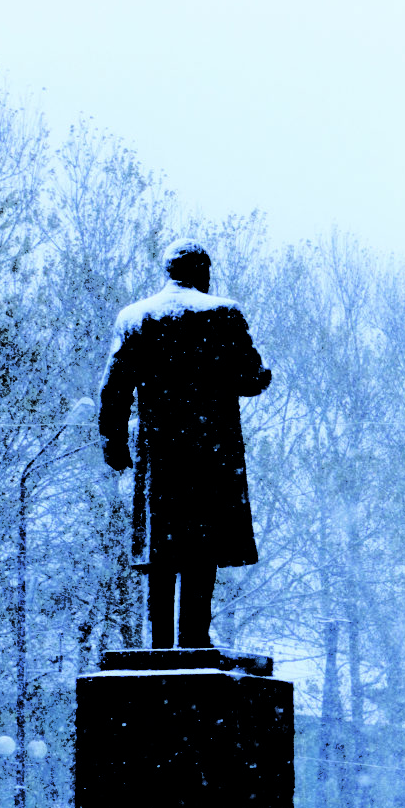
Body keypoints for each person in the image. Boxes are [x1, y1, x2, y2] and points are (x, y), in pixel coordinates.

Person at [99, 238, 272, 648]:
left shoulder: (135, 318)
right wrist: (263, 375)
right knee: (202, 546)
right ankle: (194, 636)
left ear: (168, 272)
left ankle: (159, 642)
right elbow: (248, 379)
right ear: (202, 272)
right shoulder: (223, 315)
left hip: (160, 453)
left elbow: (114, 388)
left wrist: (113, 440)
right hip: (210, 452)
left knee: (162, 547)